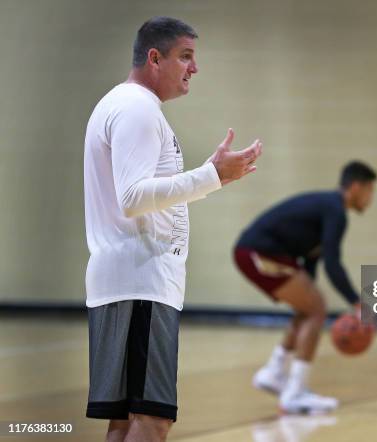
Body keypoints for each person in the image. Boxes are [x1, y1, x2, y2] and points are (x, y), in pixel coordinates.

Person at [83, 17, 262, 442]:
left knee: (127, 419)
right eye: (185, 56)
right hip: (139, 283)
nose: (194, 68)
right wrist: (212, 176)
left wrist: (210, 174)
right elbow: (133, 197)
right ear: (154, 58)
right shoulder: (137, 107)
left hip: (127, 282)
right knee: (153, 418)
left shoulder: (126, 104)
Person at [234, 161, 377, 414]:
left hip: (254, 252)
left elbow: (311, 262)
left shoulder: (327, 208)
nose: (370, 198)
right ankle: (295, 392)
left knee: (308, 308)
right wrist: (357, 302)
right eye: (370, 191)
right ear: (356, 187)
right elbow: (333, 263)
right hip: (259, 252)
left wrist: (310, 293)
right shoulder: (336, 211)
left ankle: (274, 373)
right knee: (316, 310)